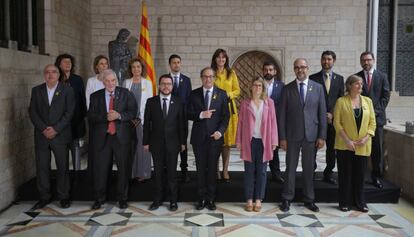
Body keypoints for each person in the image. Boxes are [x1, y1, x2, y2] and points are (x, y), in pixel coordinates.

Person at [278, 58, 327, 213]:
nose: (300, 70)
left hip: (311, 136)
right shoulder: (287, 89)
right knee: (290, 168)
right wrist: (282, 138)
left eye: (303, 67)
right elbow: (282, 116)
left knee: (309, 169)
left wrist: (322, 136)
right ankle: (287, 198)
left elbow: (322, 114)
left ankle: (309, 199)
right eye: (297, 67)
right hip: (292, 136)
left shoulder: (318, 88)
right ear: (294, 69)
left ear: (308, 68)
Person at [88, 69, 137, 210]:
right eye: (107, 81)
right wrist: (105, 117)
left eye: (113, 80)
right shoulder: (95, 96)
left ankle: (122, 198)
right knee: (101, 169)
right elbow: (91, 116)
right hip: (102, 138)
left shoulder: (126, 94)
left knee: (123, 169)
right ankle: (99, 198)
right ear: (103, 82)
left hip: (121, 137)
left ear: (116, 81)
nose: (110, 83)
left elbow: (133, 112)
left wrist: (119, 115)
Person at [29, 64, 75, 209]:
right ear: (44, 75)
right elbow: (33, 112)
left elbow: (69, 112)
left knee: (62, 167)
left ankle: (64, 197)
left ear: (58, 74)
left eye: (54, 72)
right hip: (41, 135)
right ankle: (44, 196)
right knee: (42, 167)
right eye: (47, 72)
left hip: (60, 135)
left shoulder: (67, 89)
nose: (50, 75)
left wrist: (56, 129)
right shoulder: (36, 90)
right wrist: (44, 128)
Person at [188, 67, 230, 211]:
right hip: (199, 139)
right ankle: (201, 198)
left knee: (212, 170)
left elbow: (226, 116)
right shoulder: (194, 94)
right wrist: (201, 115)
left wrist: (220, 131)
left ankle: (211, 198)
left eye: (211, 76)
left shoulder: (222, 94)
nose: (208, 79)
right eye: (205, 76)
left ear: (214, 78)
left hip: (215, 139)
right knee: (200, 170)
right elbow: (188, 113)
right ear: (201, 78)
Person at [334, 75, 376, 212]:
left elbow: (372, 122)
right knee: (345, 175)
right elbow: (337, 123)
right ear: (350, 85)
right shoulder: (341, 101)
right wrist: (347, 140)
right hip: (344, 145)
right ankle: (344, 202)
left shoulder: (368, 101)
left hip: (363, 145)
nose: (360, 86)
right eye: (357, 84)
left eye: (361, 84)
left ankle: (360, 202)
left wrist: (367, 137)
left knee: (360, 175)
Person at [144, 74, 186, 212]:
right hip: (156, 144)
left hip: (173, 144)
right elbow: (146, 124)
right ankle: (157, 200)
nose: (166, 86)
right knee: (158, 173)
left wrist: (183, 142)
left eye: (169, 84)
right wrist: (146, 142)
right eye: (163, 83)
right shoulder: (151, 102)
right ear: (159, 85)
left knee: (172, 174)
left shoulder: (178, 102)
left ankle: (173, 201)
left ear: (172, 86)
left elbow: (182, 124)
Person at [236, 78, 278, 212]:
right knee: (249, 171)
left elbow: (273, 123)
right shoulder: (244, 103)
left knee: (261, 172)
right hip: (249, 141)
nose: (257, 88)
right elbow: (240, 123)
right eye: (255, 85)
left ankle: (259, 199)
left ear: (263, 88)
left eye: (260, 85)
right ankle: (249, 199)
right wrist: (238, 140)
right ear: (251, 87)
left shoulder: (269, 103)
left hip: (264, 141)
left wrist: (274, 141)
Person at [355, 51, 390, 189]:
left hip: (377, 120)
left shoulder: (382, 76)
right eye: (363, 60)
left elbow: (385, 97)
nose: (366, 62)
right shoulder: (356, 77)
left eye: (368, 60)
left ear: (373, 60)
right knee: (360, 149)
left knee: (377, 150)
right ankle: (360, 176)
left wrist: (373, 113)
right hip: (360, 120)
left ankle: (376, 177)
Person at [309, 50, 344, 184]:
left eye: (329, 59)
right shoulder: (313, 78)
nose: (326, 62)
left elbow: (341, 99)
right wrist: (322, 114)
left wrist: (333, 114)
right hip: (316, 121)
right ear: (321, 60)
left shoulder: (339, 79)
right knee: (313, 149)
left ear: (333, 61)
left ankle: (328, 174)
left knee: (331, 150)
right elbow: (310, 100)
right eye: (324, 59)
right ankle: (310, 173)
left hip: (333, 121)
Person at [211, 48, 240, 182]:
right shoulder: (211, 73)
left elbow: (237, 90)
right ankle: (215, 170)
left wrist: (227, 95)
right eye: (218, 57)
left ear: (226, 59)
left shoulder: (231, 73)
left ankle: (225, 170)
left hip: (229, 108)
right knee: (216, 141)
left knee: (227, 143)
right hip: (214, 109)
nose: (221, 60)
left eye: (223, 57)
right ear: (215, 59)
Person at [55, 54, 87, 171]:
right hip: (60, 124)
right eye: (65, 62)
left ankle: (77, 175)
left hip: (76, 122)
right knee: (62, 154)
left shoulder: (77, 79)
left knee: (76, 151)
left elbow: (82, 100)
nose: (68, 64)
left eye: (70, 62)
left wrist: (82, 117)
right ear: (59, 64)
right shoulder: (55, 79)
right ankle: (64, 177)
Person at [123, 58, 153, 182]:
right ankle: (131, 172)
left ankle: (143, 173)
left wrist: (141, 118)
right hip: (128, 120)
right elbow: (123, 102)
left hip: (142, 120)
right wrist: (128, 117)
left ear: (142, 69)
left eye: (138, 67)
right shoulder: (126, 82)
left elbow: (150, 103)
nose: (136, 69)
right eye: (134, 67)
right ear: (130, 69)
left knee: (142, 146)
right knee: (129, 147)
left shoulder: (147, 83)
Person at [168, 54, 192, 182]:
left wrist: (186, 114)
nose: (176, 65)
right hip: (168, 118)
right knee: (169, 144)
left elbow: (189, 99)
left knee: (183, 144)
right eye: (174, 62)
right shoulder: (165, 79)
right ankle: (169, 170)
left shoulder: (186, 80)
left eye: (178, 62)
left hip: (182, 118)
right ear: (170, 65)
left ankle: (184, 170)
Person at [262, 62, 285, 184]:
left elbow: (284, 105)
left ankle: (276, 174)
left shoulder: (281, 86)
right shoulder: (258, 85)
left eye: (271, 70)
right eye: (266, 69)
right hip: (260, 123)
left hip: (275, 122)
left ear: (275, 72)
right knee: (260, 149)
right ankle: (260, 174)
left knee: (274, 149)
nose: (268, 72)